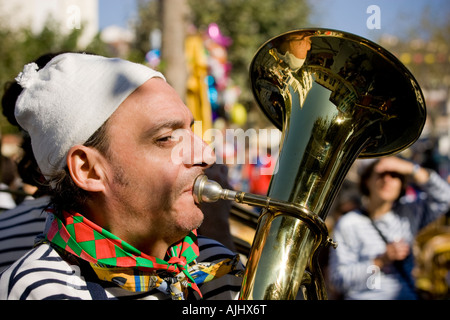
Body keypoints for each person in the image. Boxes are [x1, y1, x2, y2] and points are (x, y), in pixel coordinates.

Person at [0, 53, 243, 300]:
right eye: (165, 138)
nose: (207, 154)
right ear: (89, 170)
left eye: (190, 129)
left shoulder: (217, 263)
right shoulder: (40, 290)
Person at [328, 156, 450, 300]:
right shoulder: (349, 223)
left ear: (401, 185)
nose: (387, 180)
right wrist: (379, 261)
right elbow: (338, 280)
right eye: (381, 174)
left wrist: (411, 168)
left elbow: (445, 198)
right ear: (367, 181)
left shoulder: (409, 213)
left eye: (394, 175)